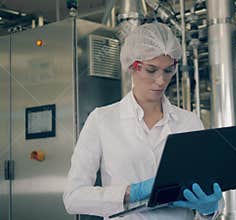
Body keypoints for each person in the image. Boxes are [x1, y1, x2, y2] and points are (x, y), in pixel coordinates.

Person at [63, 22, 224, 220]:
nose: (160, 80)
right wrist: (131, 192)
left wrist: (208, 210)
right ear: (133, 66)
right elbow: (73, 198)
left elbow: (207, 191)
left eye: (168, 71)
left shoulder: (189, 122)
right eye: (151, 70)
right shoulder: (102, 120)